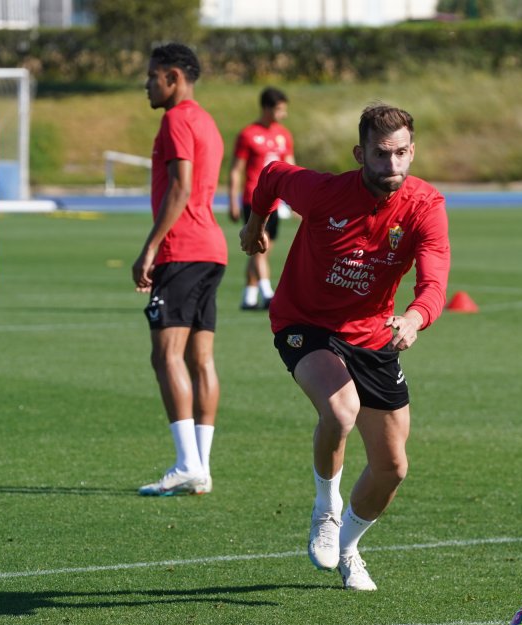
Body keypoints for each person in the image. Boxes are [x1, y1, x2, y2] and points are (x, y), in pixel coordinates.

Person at [239, 103, 451, 591]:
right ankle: (325, 510)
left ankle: (350, 547)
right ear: (361, 154)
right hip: (304, 323)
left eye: (401, 154)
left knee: (392, 468)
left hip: (374, 333)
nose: (392, 166)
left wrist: (415, 318)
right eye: (381, 155)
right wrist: (255, 225)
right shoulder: (322, 192)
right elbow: (271, 175)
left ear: (412, 152)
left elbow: (434, 280)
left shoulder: (425, 206)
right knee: (340, 411)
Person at [133, 43, 226, 497]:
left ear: (173, 77)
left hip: (182, 249)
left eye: (152, 76)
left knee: (165, 355)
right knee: (200, 359)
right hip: (212, 249)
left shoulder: (175, 120)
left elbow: (181, 187)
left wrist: (150, 248)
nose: (147, 84)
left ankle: (188, 463)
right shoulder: (207, 120)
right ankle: (200, 467)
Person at [228, 86, 295, 310]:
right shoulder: (248, 134)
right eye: (279, 109)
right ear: (266, 108)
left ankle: (249, 296)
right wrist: (231, 199)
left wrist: (296, 199)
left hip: (277, 200)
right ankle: (267, 292)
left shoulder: (284, 134)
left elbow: (292, 167)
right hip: (253, 199)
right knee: (259, 245)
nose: (283, 114)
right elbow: (236, 169)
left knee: (261, 249)